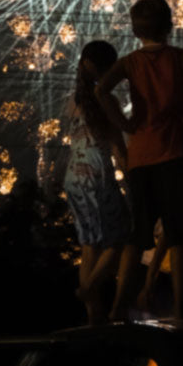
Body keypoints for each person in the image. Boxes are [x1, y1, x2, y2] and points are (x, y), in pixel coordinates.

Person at [96, 0, 183, 322]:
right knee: (179, 236)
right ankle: (180, 308)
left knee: (137, 237)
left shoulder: (129, 62)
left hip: (139, 157)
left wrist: (124, 125)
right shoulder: (181, 58)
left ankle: (117, 307)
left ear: (136, 30)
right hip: (174, 154)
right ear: (169, 24)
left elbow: (100, 91)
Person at [63, 40, 130, 325]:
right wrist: (130, 178)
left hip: (73, 178)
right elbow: (117, 146)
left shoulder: (73, 102)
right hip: (97, 175)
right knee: (122, 236)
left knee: (89, 245)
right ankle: (87, 290)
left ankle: (94, 318)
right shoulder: (107, 100)